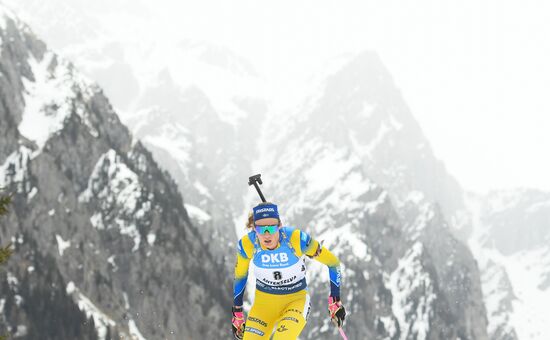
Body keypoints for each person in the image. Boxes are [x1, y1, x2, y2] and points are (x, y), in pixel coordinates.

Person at [232, 202, 346, 339]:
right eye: (261, 229)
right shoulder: (247, 245)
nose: (267, 235)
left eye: (271, 228)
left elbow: (333, 263)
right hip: (263, 306)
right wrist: (237, 311)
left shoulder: (296, 239)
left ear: (279, 226)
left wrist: (335, 299)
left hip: (295, 301)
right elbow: (240, 276)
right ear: (254, 229)